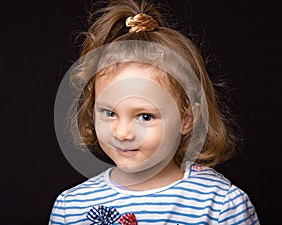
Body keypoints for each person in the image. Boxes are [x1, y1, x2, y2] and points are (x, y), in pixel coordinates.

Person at [49, 0, 259, 224]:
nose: (122, 133)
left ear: (187, 117)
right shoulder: (71, 207)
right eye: (109, 113)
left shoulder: (220, 204)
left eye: (145, 117)